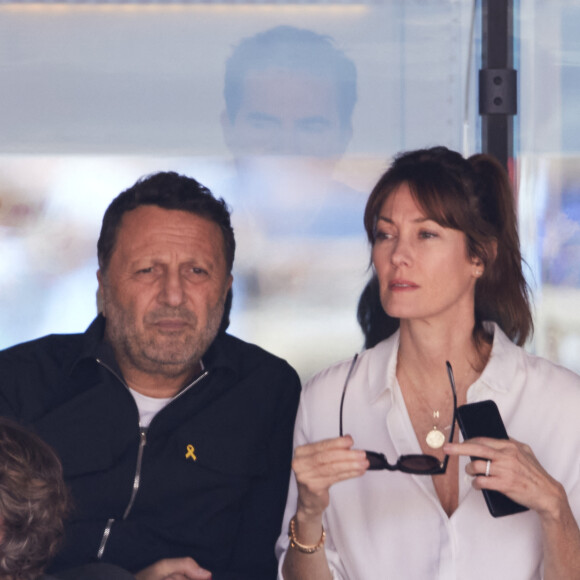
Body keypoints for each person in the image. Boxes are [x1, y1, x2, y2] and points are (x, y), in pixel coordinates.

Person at [275, 146, 580, 579]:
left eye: (426, 234)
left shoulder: (563, 404)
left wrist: (553, 508)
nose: (398, 254)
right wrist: (307, 515)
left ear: (479, 257)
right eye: (385, 234)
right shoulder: (327, 400)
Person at [0, 171, 301, 580]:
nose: (173, 295)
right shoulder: (19, 382)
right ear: (103, 285)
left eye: (197, 271)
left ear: (226, 289)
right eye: (147, 270)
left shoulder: (267, 391)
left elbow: (267, 562)